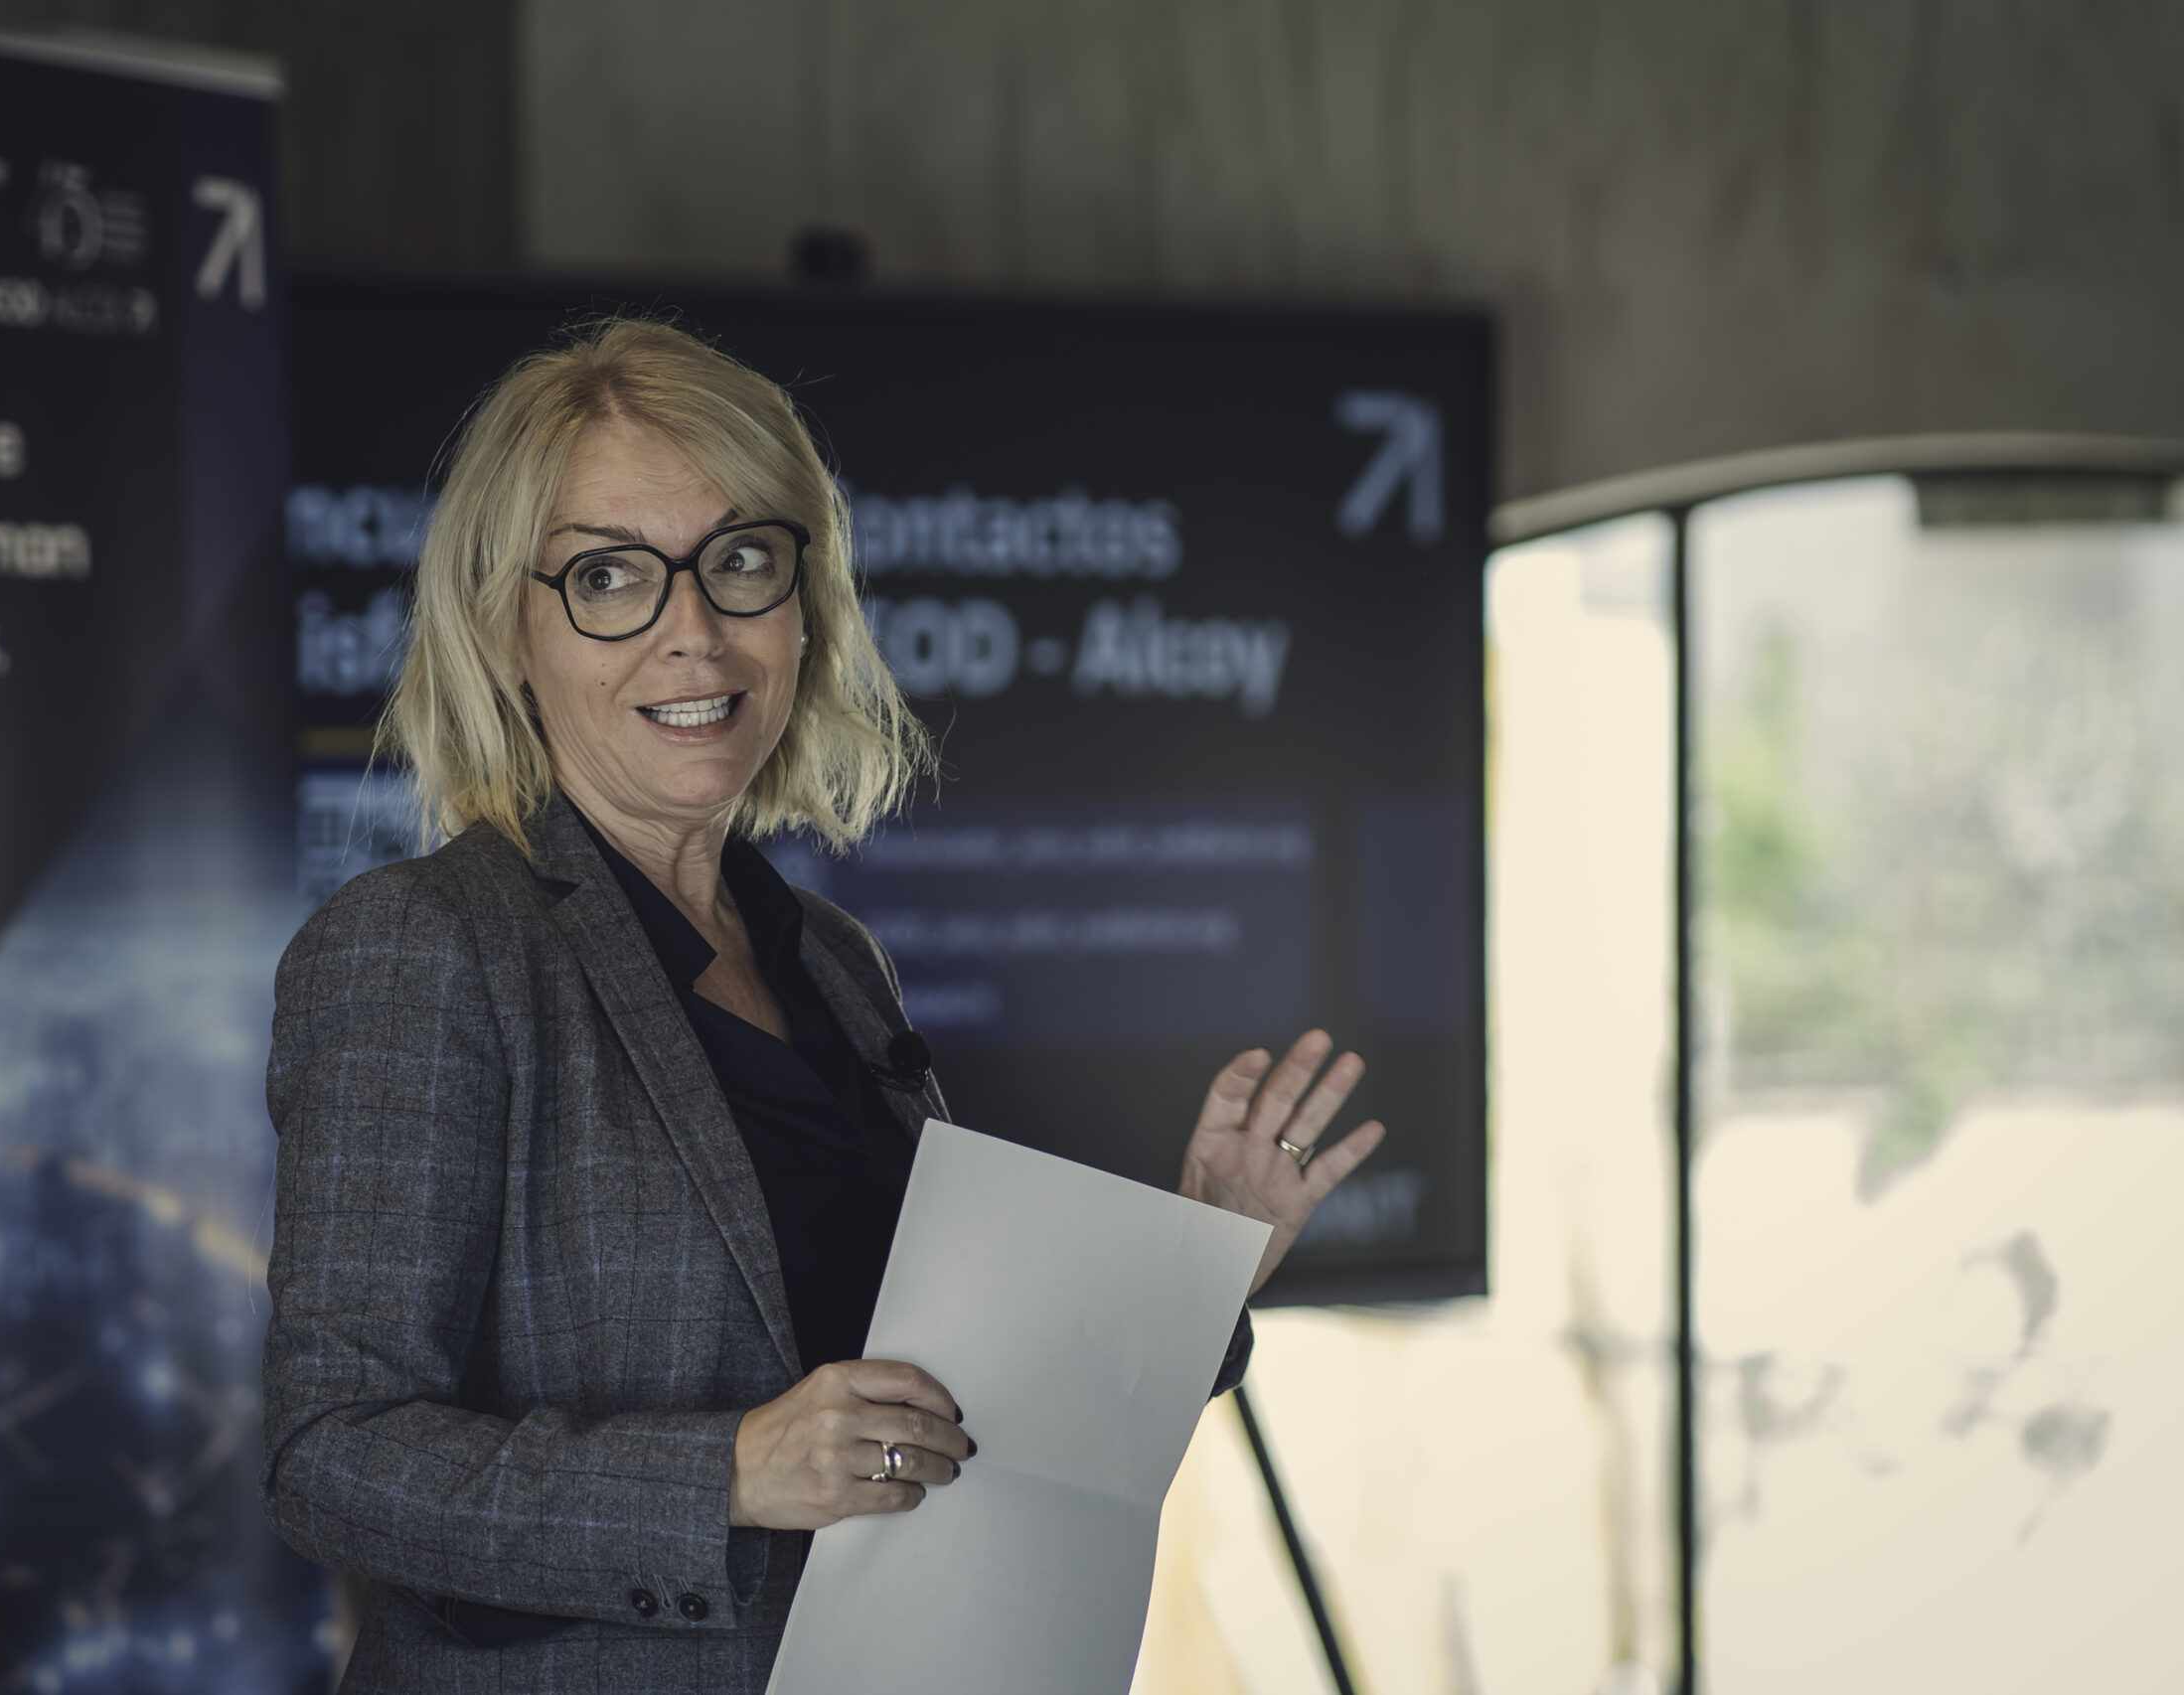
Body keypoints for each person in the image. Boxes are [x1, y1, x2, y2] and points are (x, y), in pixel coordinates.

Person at [260, 315, 1386, 1693]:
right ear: (509, 634)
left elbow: (935, 1415)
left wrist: (1186, 1275)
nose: (693, 633)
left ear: (805, 606)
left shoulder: (835, 963)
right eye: (610, 577)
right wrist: (729, 1471)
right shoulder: (427, 945)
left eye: (740, 561)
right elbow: (332, 1457)